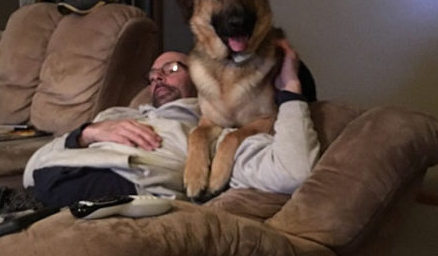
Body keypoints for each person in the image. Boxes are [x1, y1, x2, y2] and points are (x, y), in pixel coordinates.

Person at [23, 44, 320, 207]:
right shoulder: (115, 114)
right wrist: (88, 133)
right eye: (152, 76)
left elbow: (293, 171)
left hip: (103, 195)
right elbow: (30, 170)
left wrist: (291, 91)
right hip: (39, 185)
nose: (158, 79)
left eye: (171, 69)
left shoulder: (217, 133)